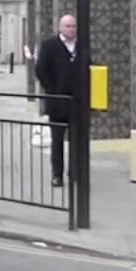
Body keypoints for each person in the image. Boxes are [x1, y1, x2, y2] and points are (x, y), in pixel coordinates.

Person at [34, 14, 81, 187]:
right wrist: (52, 90)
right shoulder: (49, 46)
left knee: (76, 142)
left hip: (76, 103)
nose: (71, 29)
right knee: (57, 141)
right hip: (57, 103)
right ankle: (57, 175)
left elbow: (89, 67)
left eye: (74, 26)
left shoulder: (81, 46)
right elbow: (40, 70)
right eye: (68, 26)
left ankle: (75, 174)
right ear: (60, 28)